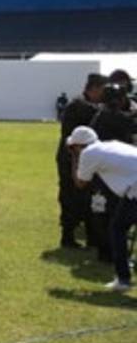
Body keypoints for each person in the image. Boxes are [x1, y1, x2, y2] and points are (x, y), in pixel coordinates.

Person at [68, 126, 137, 292]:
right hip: (132, 189)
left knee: (117, 229)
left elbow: (80, 182)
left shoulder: (88, 153)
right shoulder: (110, 145)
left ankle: (123, 279)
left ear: (78, 145)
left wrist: (74, 159)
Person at [56, 73, 107, 249]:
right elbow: (97, 115)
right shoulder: (79, 105)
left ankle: (87, 236)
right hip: (71, 156)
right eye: (103, 90)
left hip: (80, 156)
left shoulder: (84, 104)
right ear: (94, 88)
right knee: (71, 197)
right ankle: (68, 236)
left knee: (85, 198)